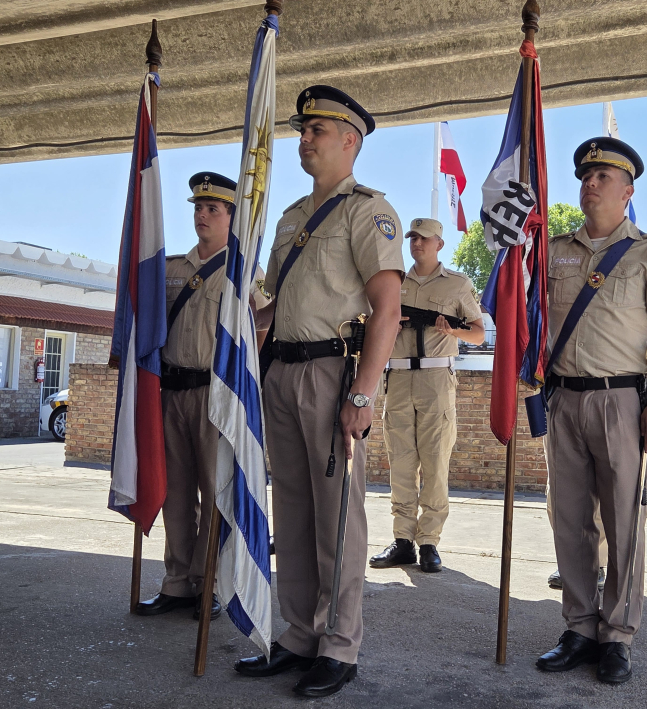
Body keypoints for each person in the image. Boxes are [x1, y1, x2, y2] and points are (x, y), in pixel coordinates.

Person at [234, 86, 404, 698]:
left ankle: (339, 643)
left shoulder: (369, 211)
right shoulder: (289, 219)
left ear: (349, 141)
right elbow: (277, 306)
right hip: (281, 369)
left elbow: (387, 309)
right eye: (302, 130)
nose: (304, 139)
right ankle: (298, 634)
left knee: (338, 519)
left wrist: (363, 394)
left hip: (334, 375)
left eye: (317, 131)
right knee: (295, 512)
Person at [537, 137, 647, 685]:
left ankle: (617, 635)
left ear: (627, 192)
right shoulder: (552, 249)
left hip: (621, 401)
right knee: (571, 520)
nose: (591, 183)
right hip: (564, 399)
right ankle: (579, 626)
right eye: (586, 175)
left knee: (623, 522)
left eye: (604, 176)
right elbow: (527, 317)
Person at [135, 172, 271, 620]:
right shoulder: (171, 268)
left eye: (213, 209)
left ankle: (209, 582)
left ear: (232, 217)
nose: (202, 215)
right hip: (171, 392)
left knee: (216, 493)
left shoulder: (244, 269)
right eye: (198, 207)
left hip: (216, 395)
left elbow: (262, 322)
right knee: (175, 492)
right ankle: (177, 582)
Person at [368, 218, 485, 574]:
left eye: (424, 239)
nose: (416, 244)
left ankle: (429, 541)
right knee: (401, 462)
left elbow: (479, 334)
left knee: (435, 462)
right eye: (413, 238)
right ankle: (402, 539)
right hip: (399, 376)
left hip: (436, 377)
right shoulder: (395, 283)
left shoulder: (457, 284)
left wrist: (455, 329)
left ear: (440, 244)